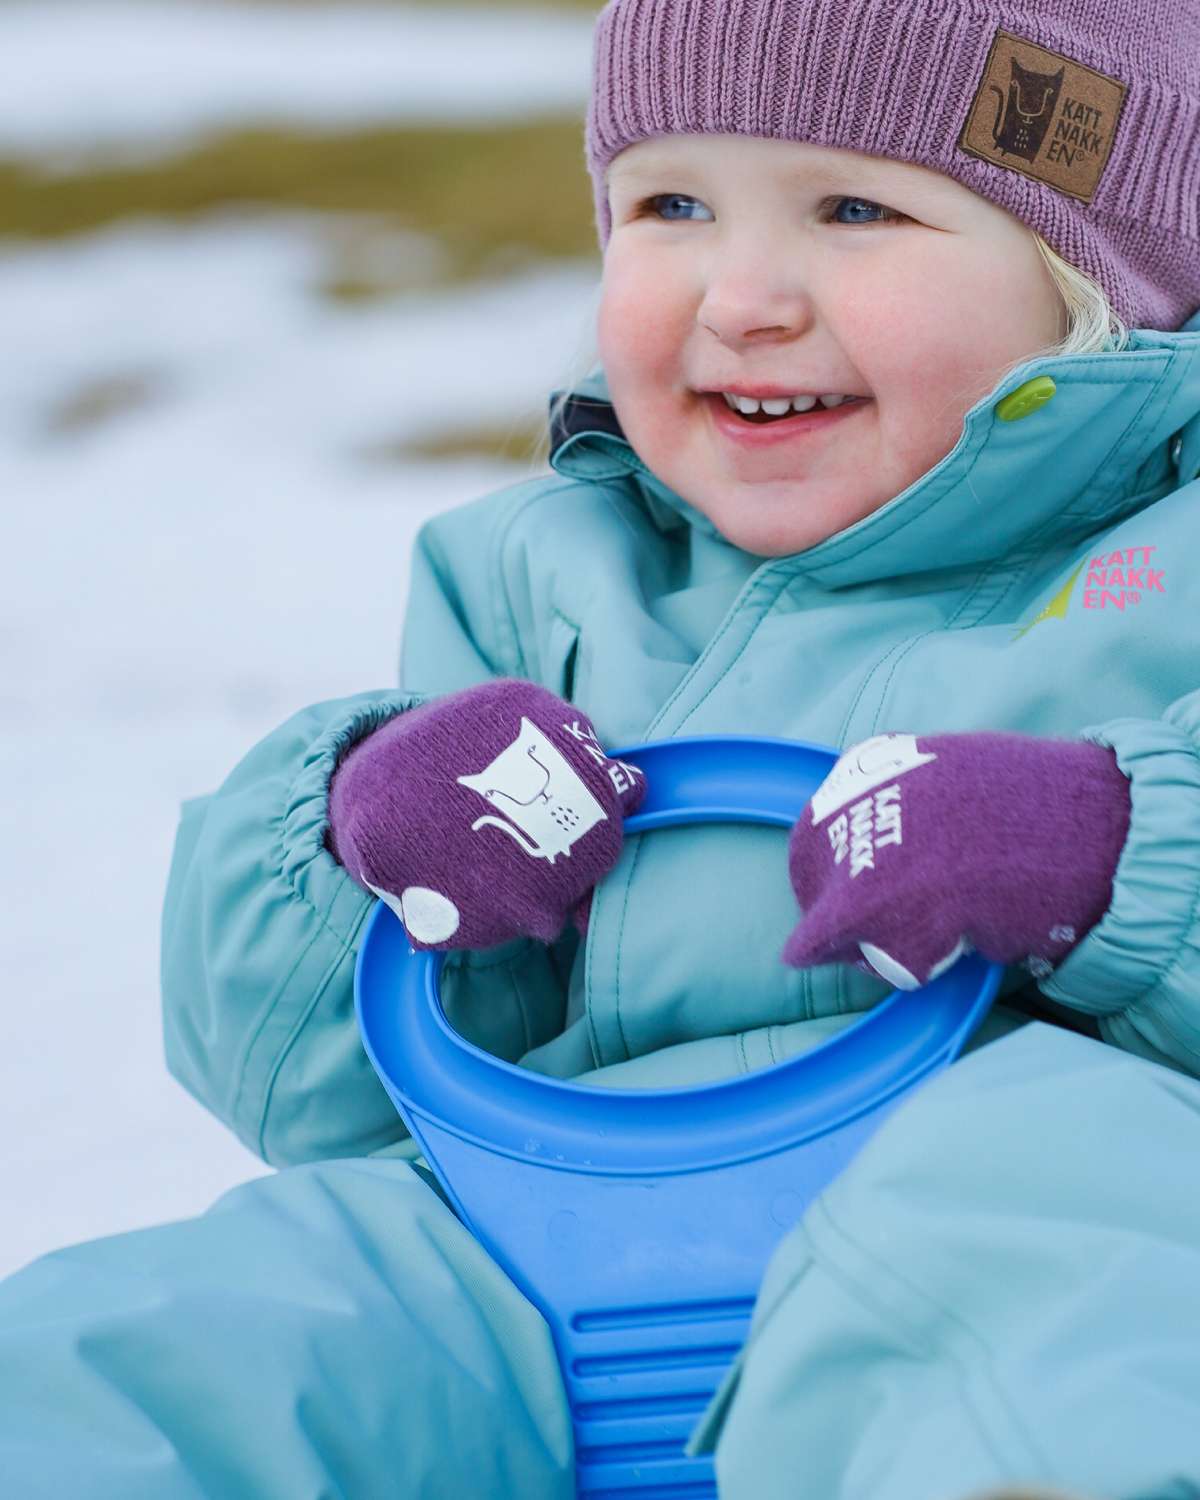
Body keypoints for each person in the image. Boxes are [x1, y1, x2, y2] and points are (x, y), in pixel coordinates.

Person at [2, 0, 1200, 1495]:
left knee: (1033, 1288)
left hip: (1019, 1201)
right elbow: (307, 1096)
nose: (743, 294)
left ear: (1092, 278)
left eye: (855, 209)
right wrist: (359, 849)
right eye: (672, 204)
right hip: (529, 1234)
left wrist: (1120, 854)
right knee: (188, 1338)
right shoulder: (538, 575)